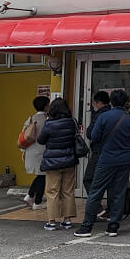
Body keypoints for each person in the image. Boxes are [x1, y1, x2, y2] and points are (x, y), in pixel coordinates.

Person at [75, 89, 130, 237]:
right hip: (123, 160)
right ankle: (113, 226)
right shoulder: (129, 119)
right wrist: (129, 157)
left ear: (111, 101)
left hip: (106, 159)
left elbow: (94, 136)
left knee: (96, 191)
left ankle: (87, 226)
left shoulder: (104, 116)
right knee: (118, 193)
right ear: (125, 102)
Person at [36, 97, 80, 231]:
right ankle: (67, 220)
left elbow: (41, 140)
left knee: (52, 191)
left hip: (53, 162)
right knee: (68, 191)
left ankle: (52, 221)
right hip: (69, 161)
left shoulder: (49, 124)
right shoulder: (72, 122)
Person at [22, 95, 49, 210]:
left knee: (40, 175)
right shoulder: (47, 120)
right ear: (46, 106)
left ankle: (30, 195)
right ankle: (37, 202)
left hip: (30, 151)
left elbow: (23, 136)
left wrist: (23, 151)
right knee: (43, 176)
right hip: (42, 152)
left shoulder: (30, 119)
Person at [83, 90, 110, 194]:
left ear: (99, 103)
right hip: (113, 152)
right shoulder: (115, 114)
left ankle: (95, 206)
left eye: (94, 103)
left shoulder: (99, 115)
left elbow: (90, 133)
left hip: (99, 151)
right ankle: (113, 208)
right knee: (111, 182)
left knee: (88, 179)